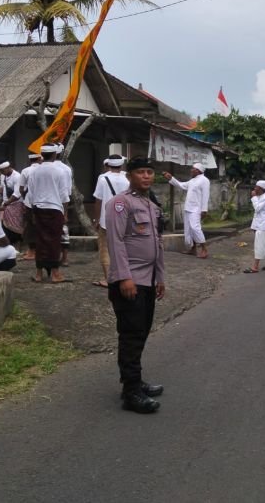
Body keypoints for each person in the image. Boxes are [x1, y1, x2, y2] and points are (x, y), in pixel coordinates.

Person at [106, 156, 166, 414]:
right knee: (130, 335)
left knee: (141, 332)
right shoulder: (119, 203)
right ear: (129, 175)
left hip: (149, 280)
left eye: (150, 172)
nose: (146, 176)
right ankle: (131, 392)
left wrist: (160, 277)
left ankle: (135, 380)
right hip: (130, 281)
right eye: (141, 172)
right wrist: (124, 277)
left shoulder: (151, 205)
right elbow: (116, 241)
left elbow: (158, 243)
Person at [25, 144, 70, 283]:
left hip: (38, 207)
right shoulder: (59, 171)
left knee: (40, 240)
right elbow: (64, 195)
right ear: (55, 155)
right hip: (55, 208)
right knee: (54, 241)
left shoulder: (34, 172)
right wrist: (65, 212)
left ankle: (39, 273)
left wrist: (33, 211)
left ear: (41, 155)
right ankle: (55, 273)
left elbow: (30, 193)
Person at [92, 155, 130, 288]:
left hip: (106, 219)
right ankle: (124, 276)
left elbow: (98, 200)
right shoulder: (127, 178)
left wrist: (96, 218)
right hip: (124, 219)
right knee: (123, 248)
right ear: (121, 164)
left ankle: (108, 279)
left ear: (108, 164)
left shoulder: (102, 178)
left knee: (104, 249)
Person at [164, 163, 210, 259]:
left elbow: (206, 196)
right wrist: (171, 178)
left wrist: (204, 210)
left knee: (195, 228)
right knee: (188, 229)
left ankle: (204, 249)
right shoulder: (192, 181)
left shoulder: (204, 181)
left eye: (193, 169)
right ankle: (192, 249)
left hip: (196, 209)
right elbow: (181, 185)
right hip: (188, 208)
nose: (191, 170)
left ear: (198, 170)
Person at [245, 180, 265, 273]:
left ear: (262, 189)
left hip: (262, 225)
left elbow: (257, 208)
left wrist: (254, 197)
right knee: (264, 244)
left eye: (257, 187)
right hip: (258, 224)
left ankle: (255, 266)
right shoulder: (261, 196)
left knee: (259, 245)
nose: (255, 189)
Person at [18, 153, 42, 260]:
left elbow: (21, 188)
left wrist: (25, 197)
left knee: (30, 226)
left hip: (29, 202)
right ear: (39, 159)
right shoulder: (43, 169)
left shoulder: (26, 171)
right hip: (43, 201)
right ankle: (38, 250)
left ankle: (32, 251)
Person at [53, 145, 73, 267]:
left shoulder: (41, 168)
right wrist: (65, 211)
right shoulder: (66, 169)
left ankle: (52, 258)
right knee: (63, 230)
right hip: (61, 203)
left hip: (46, 204)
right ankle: (65, 258)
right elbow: (68, 191)